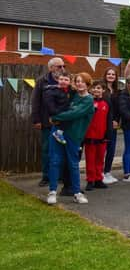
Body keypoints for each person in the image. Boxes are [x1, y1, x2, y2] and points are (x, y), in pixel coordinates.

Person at [46, 73, 95, 205]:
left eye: (82, 82)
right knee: (55, 161)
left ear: (88, 84)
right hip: (57, 132)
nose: (79, 84)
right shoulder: (71, 94)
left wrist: (55, 118)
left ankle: (77, 193)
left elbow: (74, 114)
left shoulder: (88, 100)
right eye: (77, 81)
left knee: (73, 164)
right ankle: (52, 191)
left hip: (73, 136)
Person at [32, 57, 66, 187]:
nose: (62, 69)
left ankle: (61, 176)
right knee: (47, 150)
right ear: (51, 68)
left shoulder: (67, 79)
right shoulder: (42, 81)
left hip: (64, 123)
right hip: (47, 122)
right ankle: (46, 176)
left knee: (62, 149)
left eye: (64, 66)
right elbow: (35, 101)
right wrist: (36, 119)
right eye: (59, 66)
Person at [83, 81, 113, 191]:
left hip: (102, 135)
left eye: (99, 88)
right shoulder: (88, 101)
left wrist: (108, 134)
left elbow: (109, 119)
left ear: (103, 90)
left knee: (100, 158)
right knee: (90, 159)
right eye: (94, 88)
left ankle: (98, 179)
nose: (96, 90)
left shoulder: (106, 103)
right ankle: (90, 180)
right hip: (90, 135)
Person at [44, 71, 72, 145]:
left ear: (70, 82)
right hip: (57, 116)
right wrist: (60, 114)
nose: (63, 81)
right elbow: (51, 108)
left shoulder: (69, 91)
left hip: (65, 115)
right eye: (61, 79)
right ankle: (58, 133)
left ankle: (71, 143)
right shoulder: (51, 92)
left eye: (66, 80)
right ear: (57, 80)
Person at [102, 68, 120, 185]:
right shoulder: (101, 89)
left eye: (113, 74)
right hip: (102, 123)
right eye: (109, 73)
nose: (111, 76)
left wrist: (116, 120)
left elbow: (118, 108)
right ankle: (100, 173)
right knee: (101, 149)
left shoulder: (117, 91)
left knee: (111, 149)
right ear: (105, 75)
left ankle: (107, 171)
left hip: (113, 124)